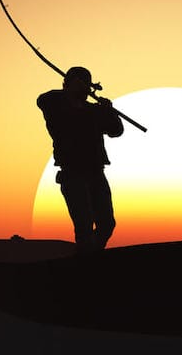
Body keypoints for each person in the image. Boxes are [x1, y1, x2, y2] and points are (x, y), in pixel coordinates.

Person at [37, 66, 124, 253]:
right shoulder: (56, 106)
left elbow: (116, 131)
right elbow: (42, 99)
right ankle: (86, 258)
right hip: (73, 174)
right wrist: (70, 91)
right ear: (68, 84)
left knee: (107, 223)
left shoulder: (94, 111)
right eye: (81, 83)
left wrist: (109, 111)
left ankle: (91, 255)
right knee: (84, 224)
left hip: (96, 173)